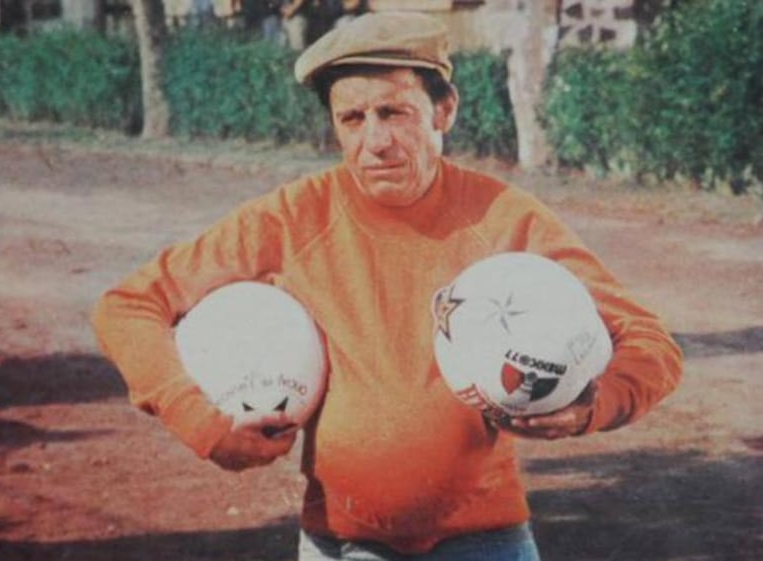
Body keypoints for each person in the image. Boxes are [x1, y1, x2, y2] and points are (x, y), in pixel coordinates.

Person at [92, 12, 682, 561]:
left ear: (444, 110)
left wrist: (591, 407)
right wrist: (202, 425)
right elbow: (129, 306)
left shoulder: (504, 218)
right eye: (352, 119)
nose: (374, 141)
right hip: (341, 541)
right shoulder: (292, 218)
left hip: (485, 541)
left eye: (394, 112)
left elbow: (649, 340)